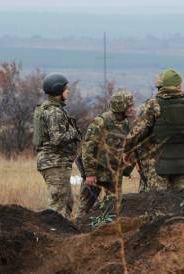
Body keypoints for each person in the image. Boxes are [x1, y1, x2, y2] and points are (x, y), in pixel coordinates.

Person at [124, 68, 184, 190]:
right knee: (183, 203)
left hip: (158, 164)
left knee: (158, 203)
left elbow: (137, 133)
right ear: (179, 85)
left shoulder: (153, 105)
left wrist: (127, 150)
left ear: (163, 85)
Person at [75, 90, 135, 220]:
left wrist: (126, 168)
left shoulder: (125, 124)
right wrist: (89, 174)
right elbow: (88, 148)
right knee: (85, 208)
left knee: (113, 208)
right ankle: (77, 232)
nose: (132, 109)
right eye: (129, 106)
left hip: (113, 173)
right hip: (96, 173)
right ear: (121, 106)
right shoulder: (101, 121)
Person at [33, 73, 81, 218]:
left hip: (56, 162)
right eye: (66, 89)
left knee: (66, 203)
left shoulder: (51, 108)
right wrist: (74, 131)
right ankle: (53, 236)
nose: (68, 91)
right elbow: (57, 139)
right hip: (54, 162)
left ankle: (63, 236)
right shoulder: (54, 112)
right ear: (58, 90)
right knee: (58, 206)